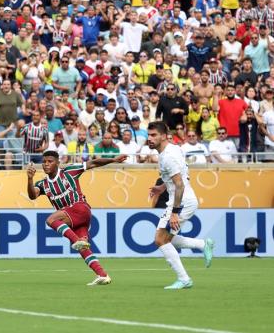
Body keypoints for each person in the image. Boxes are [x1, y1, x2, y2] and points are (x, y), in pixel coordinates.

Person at [27, 151, 127, 286]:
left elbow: (94, 163)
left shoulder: (70, 171)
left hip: (80, 208)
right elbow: (33, 196)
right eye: (44, 162)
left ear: (57, 163)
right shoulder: (43, 184)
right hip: (75, 219)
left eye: (50, 161)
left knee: (50, 220)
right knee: (83, 248)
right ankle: (102, 275)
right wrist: (29, 179)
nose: (46, 164)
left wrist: (114, 159)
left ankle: (76, 240)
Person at [147, 121, 214, 289]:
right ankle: (202, 245)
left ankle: (184, 279)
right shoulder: (172, 149)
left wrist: (175, 212)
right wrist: (161, 187)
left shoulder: (168, 156)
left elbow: (180, 185)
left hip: (182, 201)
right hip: (180, 199)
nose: (149, 138)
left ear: (163, 136)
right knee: (167, 239)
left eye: (153, 135)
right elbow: (181, 176)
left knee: (160, 240)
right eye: (148, 135)